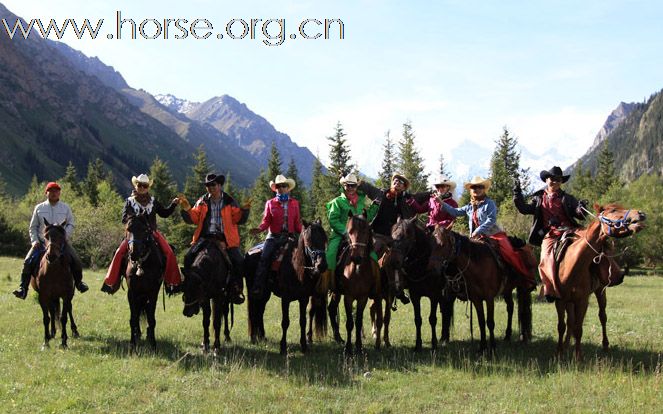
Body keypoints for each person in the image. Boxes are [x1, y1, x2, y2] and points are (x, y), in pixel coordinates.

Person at [513, 166, 621, 301]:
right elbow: (524, 209)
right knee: (545, 257)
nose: (555, 182)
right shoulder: (538, 198)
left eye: (558, 180)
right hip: (551, 234)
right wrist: (517, 194)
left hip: (571, 230)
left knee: (594, 243)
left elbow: (578, 213)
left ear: (561, 182)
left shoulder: (568, 198)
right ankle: (550, 290)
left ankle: (611, 275)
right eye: (552, 179)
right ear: (546, 180)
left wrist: (580, 208)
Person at [441, 176, 535, 288]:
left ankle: (526, 278)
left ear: (484, 189)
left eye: (479, 187)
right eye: (474, 187)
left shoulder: (489, 203)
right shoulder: (469, 207)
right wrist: (441, 202)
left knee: (509, 253)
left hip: (494, 235)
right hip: (476, 238)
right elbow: (455, 212)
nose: (476, 189)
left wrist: (478, 230)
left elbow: (491, 219)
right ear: (471, 190)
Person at [101, 174, 182, 295]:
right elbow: (124, 218)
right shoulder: (129, 201)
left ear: (148, 187)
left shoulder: (153, 201)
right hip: (133, 234)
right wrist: (133, 219)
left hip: (152, 233)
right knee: (119, 252)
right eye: (140, 185)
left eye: (145, 186)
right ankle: (112, 282)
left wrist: (173, 204)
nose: (142, 188)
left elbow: (164, 213)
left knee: (169, 252)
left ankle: (171, 283)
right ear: (136, 185)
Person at [179, 173, 249, 305]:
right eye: (208, 185)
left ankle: (236, 289)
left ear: (220, 185)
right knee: (188, 257)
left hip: (226, 238)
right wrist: (187, 209)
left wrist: (244, 211)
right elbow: (194, 219)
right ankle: (188, 286)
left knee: (239, 261)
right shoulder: (202, 201)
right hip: (205, 237)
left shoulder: (229, 201)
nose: (210, 187)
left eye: (213, 185)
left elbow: (237, 219)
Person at [13, 181, 88, 299]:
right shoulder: (39, 208)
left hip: (61, 244)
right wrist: (34, 241)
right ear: (46, 193)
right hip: (42, 244)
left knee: (76, 260)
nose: (54, 193)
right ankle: (23, 289)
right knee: (27, 261)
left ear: (59, 193)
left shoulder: (65, 208)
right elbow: (33, 227)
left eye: (56, 191)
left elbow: (71, 224)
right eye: (51, 191)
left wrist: (64, 237)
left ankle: (79, 284)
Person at [358, 173, 415, 303]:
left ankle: (398, 290)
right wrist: (352, 179)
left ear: (404, 187)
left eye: (401, 182)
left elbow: (414, 208)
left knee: (400, 258)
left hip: (393, 238)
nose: (397, 182)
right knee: (374, 253)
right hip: (377, 234)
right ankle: (368, 283)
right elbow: (367, 187)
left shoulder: (403, 201)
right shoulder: (381, 194)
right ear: (391, 183)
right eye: (395, 180)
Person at [249, 174, 302, 298]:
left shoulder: (294, 203)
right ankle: (258, 285)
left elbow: (297, 223)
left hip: (290, 236)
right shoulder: (270, 203)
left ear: (288, 188)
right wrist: (260, 229)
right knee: (264, 257)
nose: (281, 188)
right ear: (276, 188)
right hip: (273, 236)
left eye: (284, 186)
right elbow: (266, 220)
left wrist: (304, 230)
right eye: (279, 186)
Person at [325, 174, 379, 282]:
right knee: (330, 255)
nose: (350, 188)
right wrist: (345, 232)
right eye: (347, 185)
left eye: (353, 185)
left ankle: (375, 286)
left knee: (373, 256)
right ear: (344, 186)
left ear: (356, 187)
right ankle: (328, 283)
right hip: (340, 234)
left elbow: (365, 218)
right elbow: (333, 220)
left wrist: (375, 206)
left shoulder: (360, 201)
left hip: (358, 236)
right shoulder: (337, 202)